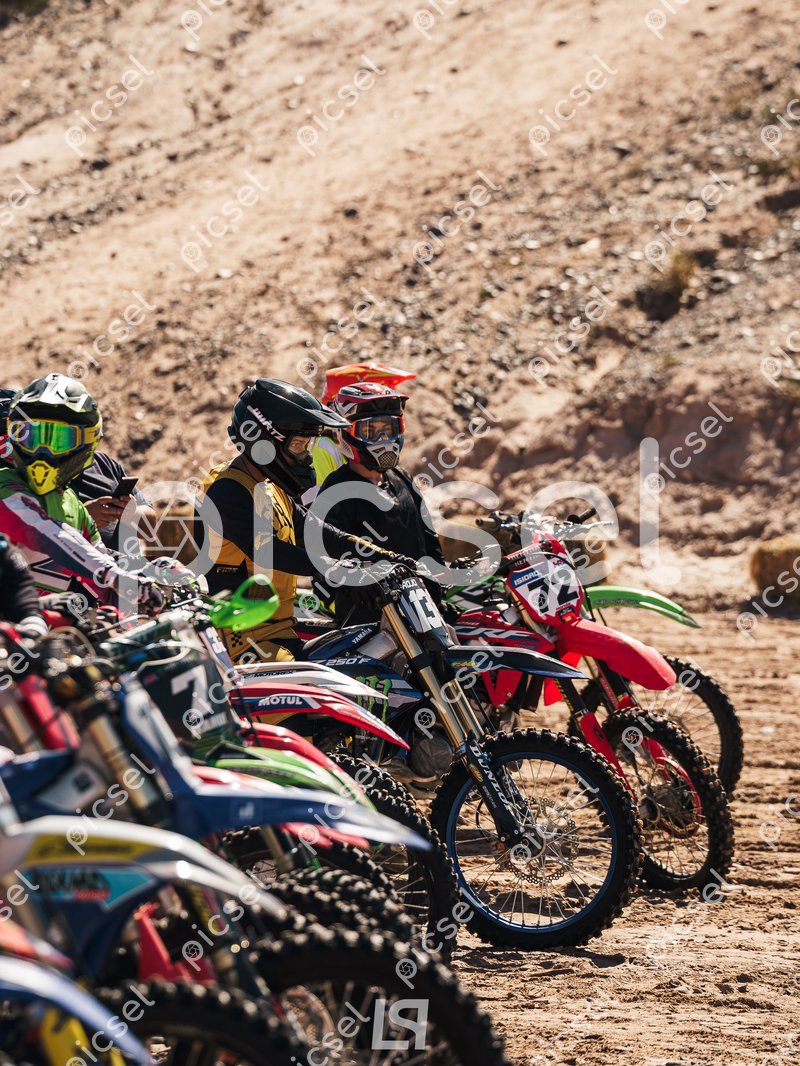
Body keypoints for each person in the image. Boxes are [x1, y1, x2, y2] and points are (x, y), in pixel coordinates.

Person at [193, 378, 414, 663]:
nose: (306, 456)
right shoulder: (227, 490)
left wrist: (391, 558)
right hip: (240, 641)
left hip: (279, 632)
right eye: (298, 445)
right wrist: (341, 571)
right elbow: (268, 551)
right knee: (323, 689)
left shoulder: (270, 488)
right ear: (264, 443)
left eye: (307, 445)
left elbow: (323, 534)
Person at [0, 374, 163, 615]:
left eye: (59, 440)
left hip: (51, 629)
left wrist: (153, 587)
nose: (43, 451)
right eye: (30, 437)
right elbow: (49, 534)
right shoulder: (5, 484)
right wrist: (118, 577)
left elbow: (101, 577)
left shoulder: (71, 503)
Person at [313, 382, 445, 624]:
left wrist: (439, 590)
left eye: (390, 428)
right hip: (370, 619)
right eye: (370, 430)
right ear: (346, 432)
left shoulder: (401, 478)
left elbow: (428, 539)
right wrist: (353, 582)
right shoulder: (336, 490)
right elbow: (320, 557)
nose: (384, 438)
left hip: (421, 610)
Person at [304, 362, 417, 501]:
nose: (382, 437)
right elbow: (314, 505)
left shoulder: (398, 476)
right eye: (369, 429)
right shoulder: (324, 448)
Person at [71, 447, 156, 552]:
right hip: (84, 561)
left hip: (127, 561)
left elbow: (150, 528)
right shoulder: (53, 476)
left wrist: (133, 513)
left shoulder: (104, 463)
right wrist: (83, 517)